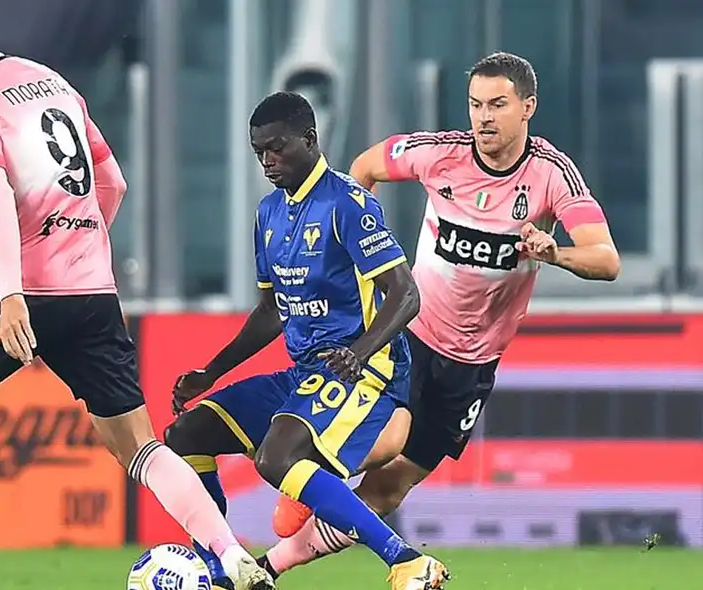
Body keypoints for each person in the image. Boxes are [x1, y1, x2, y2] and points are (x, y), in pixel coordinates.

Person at [0, 3, 275, 590]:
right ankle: (230, 554)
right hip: (92, 292)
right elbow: (113, 181)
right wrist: (81, 244)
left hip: (18, 289)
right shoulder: (53, 83)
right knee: (139, 448)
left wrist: (14, 296)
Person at [262, 52, 621, 576]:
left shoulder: (550, 175)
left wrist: (554, 253)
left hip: (472, 365)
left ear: (528, 108)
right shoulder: (439, 154)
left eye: (498, 104)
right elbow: (363, 166)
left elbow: (606, 260)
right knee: (380, 444)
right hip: (405, 337)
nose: (484, 117)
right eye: (476, 104)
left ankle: (267, 569)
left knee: (392, 485)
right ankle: (307, 474)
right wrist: (357, 254)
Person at [165, 91, 451, 590]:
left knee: (277, 458)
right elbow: (272, 311)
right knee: (186, 435)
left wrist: (358, 353)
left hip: (369, 372)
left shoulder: (348, 202)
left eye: (276, 147)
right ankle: (225, 568)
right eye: (259, 152)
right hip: (305, 375)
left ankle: (407, 560)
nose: (268, 161)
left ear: (310, 140)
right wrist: (212, 372)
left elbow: (405, 296)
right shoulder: (269, 214)